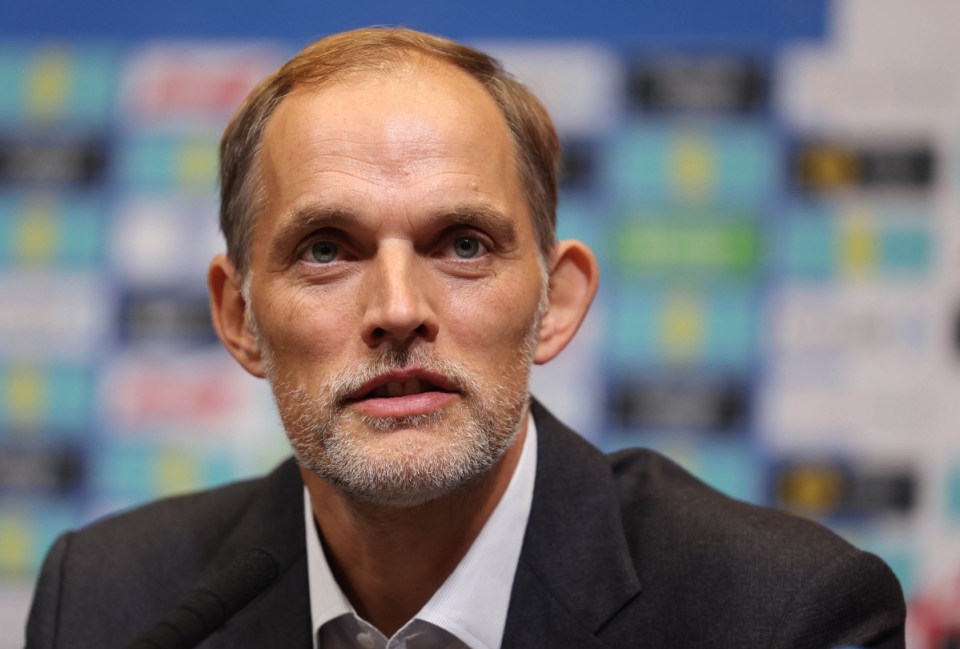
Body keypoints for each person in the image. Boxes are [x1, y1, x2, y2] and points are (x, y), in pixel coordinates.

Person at [25, 27, 905, 649]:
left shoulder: (780, 614)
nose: (399, 306)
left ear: (556, 303)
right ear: (238, 318)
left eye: (464, 245)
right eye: (327, 249)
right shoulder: (107, 601)